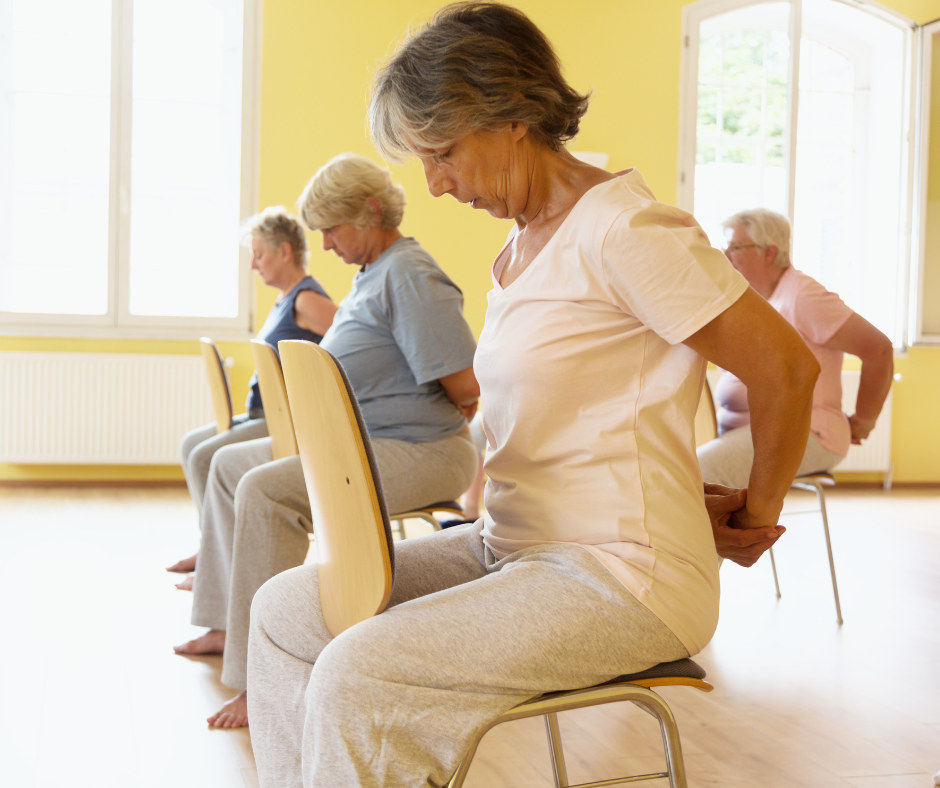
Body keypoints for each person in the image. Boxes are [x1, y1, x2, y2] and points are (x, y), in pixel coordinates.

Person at [245, 4, 819, 786]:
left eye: (443, 153)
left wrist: (753, 513)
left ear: (510, 115)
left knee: (360, 673)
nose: (437, 186)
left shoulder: (629, 231)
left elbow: (786, 369)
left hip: (620, 575)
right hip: (511, 546)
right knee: (282, 613)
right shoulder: (517, 251)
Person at [174, 153, 480, 729]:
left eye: (332, 229)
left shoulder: (410, 273)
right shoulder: (374, 273)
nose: (328, 244)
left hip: (423, 449)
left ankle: (259, 679)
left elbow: (465, 385)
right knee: (234, 469)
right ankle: (226, 625)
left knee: (266, 491)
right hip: (372, 440)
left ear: (369, 211)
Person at [168, 208, 336, 586]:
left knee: (205, 455)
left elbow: (351, 342)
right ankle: (212, 550)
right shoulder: (285, 298)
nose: (253, 265)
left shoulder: (307, 299)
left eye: (259, 255)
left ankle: (218, 566)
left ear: (285, 252)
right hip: (262, 412)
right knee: (193, 446)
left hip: (282, 418)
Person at [697, 208, 894, 488]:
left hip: (809, 432)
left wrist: (865, 419)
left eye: (735, 247)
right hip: (751, 431)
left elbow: (879, 349)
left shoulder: (803, 295)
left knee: (699, 473)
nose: (726, 255)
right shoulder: (758, 298)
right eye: (725, 246)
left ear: (769, 252)